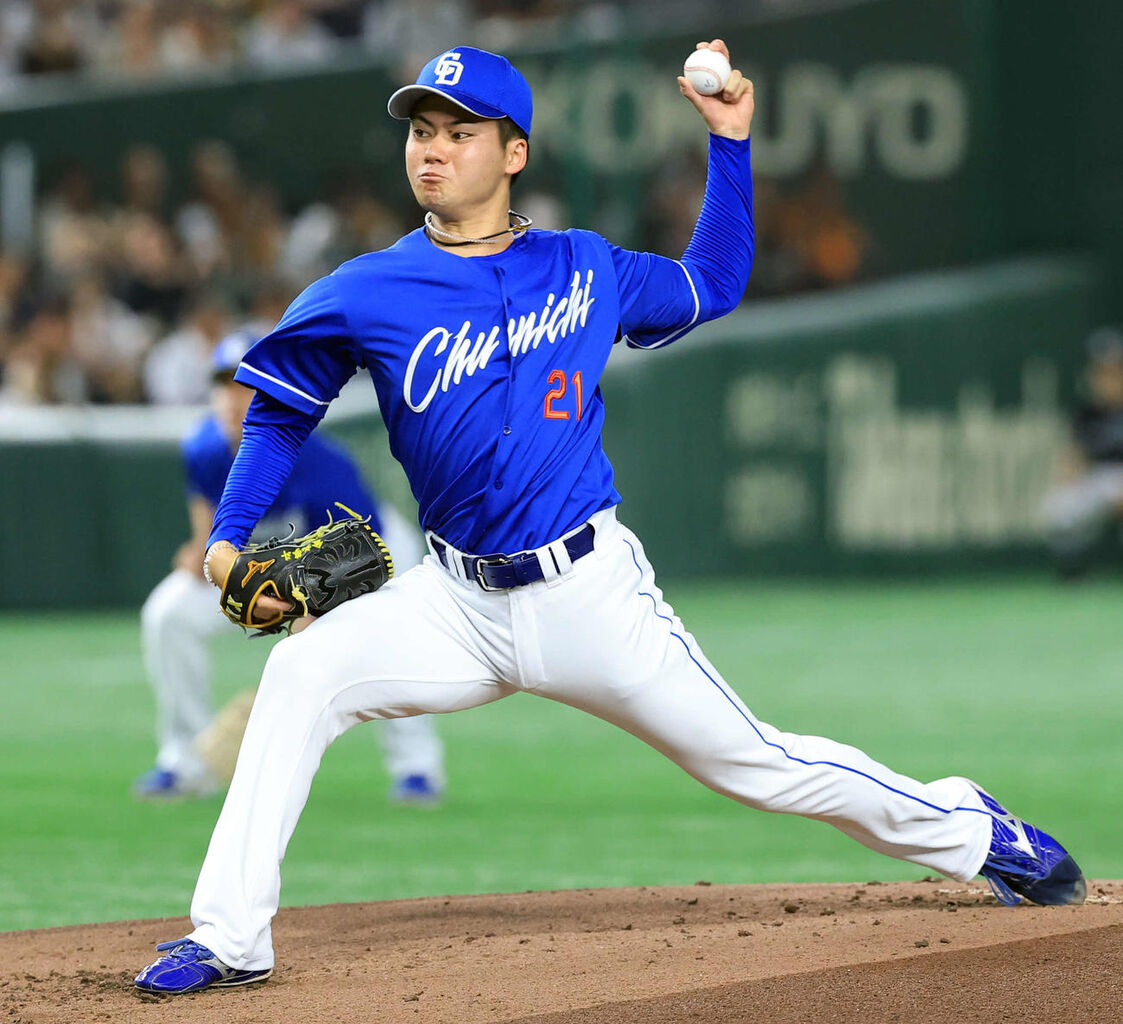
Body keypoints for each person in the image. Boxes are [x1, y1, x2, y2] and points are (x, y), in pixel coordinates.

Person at [135, 41, 1085, 995]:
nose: (433, 149)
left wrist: (730, 143)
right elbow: (279, 410)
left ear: (514, 154)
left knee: (753, 763)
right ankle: (230, 938)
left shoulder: (583, 266)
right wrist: (226, 542)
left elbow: (711, 283)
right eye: (421, 130)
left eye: (460, 133)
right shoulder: (364, 289)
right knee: (301, 674)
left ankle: (970, 829)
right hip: (452, 602)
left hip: (586, 591)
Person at [134, 329, 445, 804]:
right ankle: (186, 761)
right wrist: (201, 550)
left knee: (392, 641)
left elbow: (361, 557)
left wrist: (304, 629)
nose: (231, 399)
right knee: (168, 614)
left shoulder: (319, 464)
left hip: (370, 553)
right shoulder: (203, 447)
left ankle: (416, 766)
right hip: (272, 566)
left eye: (246, 387)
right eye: (223, 385)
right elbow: (206, 522)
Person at [1041, 326, 1123, 578]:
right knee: (1059, 504)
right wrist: (1068, 473)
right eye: (1102, 373)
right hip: (1100, 478)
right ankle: (1073, 570)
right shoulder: (1086, 414)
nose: (1107, 380)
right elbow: (1073, 457)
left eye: (1113, 372)